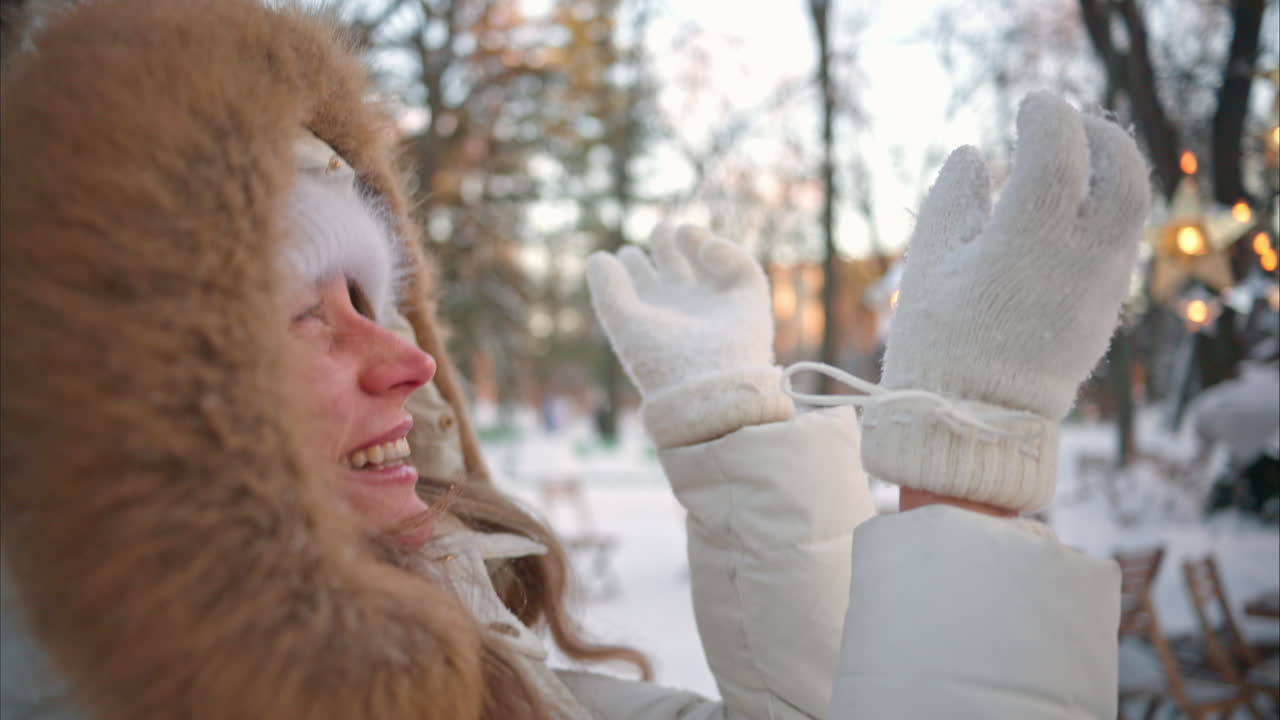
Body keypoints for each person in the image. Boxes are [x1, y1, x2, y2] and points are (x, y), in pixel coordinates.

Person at [0, 1, 1149, 718]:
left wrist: (739, 435)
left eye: (374, 295)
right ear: (119, 416)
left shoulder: (449, 660)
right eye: (299, 312)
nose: (407, 360)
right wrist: (964, 475)